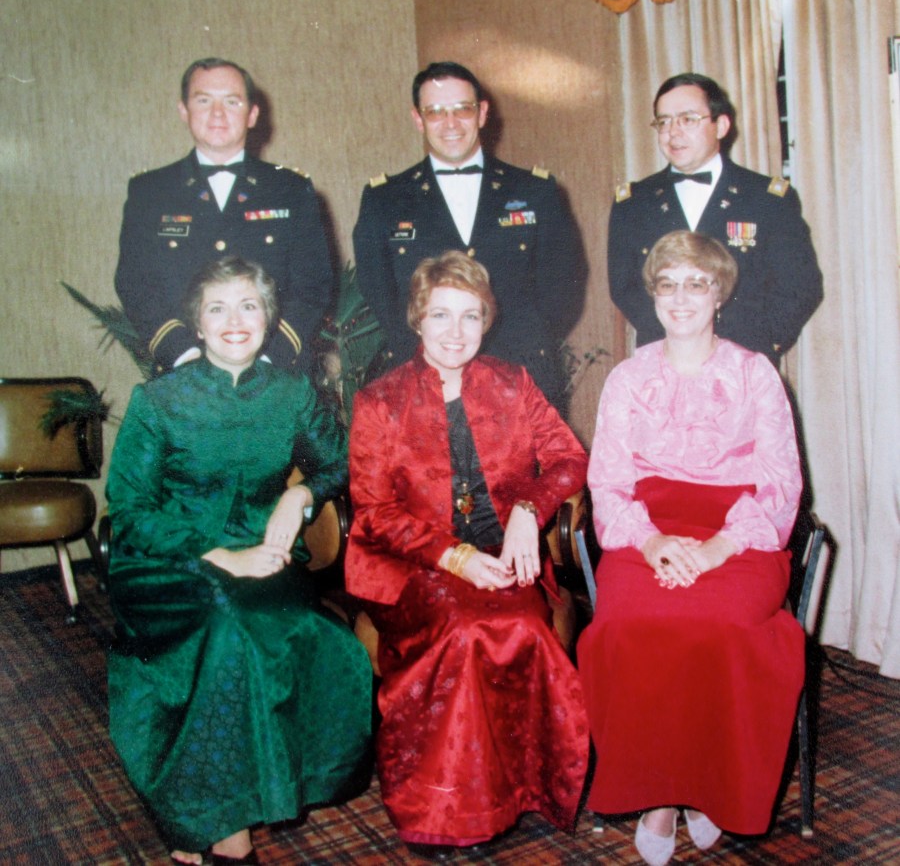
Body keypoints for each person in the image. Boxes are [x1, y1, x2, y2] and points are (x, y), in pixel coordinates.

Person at [106, 257, 372, 865]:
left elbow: (339, 464)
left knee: (310, 634)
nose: (234, 320)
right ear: (196, 325)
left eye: (248, 305)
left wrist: (300, 497)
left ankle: (240, 796)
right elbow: (129, 507)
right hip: (165, 561)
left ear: (269, 319)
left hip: (269, 555)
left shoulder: (292, 394)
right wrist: (221, 554)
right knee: (228, 629)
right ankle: (223, 829)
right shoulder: (159, 400)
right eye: (217, 308)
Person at [344, 252, 590, 856]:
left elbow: (569, 459)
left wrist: (529, 512)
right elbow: (374, 513)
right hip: (415, 565)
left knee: (526, 626)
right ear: (416, 320)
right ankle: (444, 808)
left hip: (506, 555)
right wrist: (454, 558)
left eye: (471, 316)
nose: (456, 332)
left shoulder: (513, 383)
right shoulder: (380, 400)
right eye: (441, 315)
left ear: (488, 320)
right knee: (463, 629)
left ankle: (521, 789)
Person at [577, 231, 805, 865]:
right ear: (652, 295)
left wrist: (717, 550)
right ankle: (657, 795)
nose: (682, 297)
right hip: (646, 530)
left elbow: (783, 481)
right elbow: (609, 482)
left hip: (742, 532)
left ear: (718, 294)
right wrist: (650, 543)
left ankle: (711, 786)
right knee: (632, 622)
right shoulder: (627, 378)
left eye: (696, 283)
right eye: (668, 284)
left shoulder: (755, 373)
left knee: (723, 624)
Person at [352, 61, 587, 412]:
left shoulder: (536, 191)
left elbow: (564, 284)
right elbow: (379, 292)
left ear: (482, 113)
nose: (450, 124)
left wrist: (520, 342)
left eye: (462, 109)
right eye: (435, 112)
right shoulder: (384, 199)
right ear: (418, 119)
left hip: (522, 376)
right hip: (424, 380)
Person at [115, 57, 332, 375]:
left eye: (232, 101)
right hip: (184, 376)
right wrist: (183, 355)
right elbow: (135, 283)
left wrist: (270, 359)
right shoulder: (150, 193)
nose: (217, 114)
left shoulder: (290, 189)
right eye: (204, 101)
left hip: (276, 375)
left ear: (253, 114)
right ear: (183, 111)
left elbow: (313, 283)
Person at [607, 72, 822, 363]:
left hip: (744, 362)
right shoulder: (633, 204)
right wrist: (679, 340)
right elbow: (625, 288)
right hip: (665, 363)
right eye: (664, 122)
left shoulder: (767, 200)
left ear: (720, 125)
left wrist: (755, 347)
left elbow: (799, 287)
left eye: (688, 119)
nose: (673, 133)